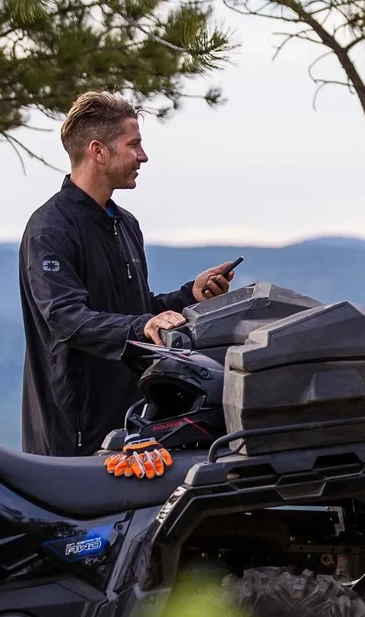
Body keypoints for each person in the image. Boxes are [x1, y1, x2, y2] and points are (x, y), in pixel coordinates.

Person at [19, 91, 235, 457]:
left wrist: (190, 296)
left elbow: (134, 309)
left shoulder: (125, 224)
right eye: (133, 145)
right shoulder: (50, 229)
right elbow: (65, 318)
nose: (143, 156)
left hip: (130, 425)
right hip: (74, 437)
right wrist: (142, 326)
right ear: (98, 151)